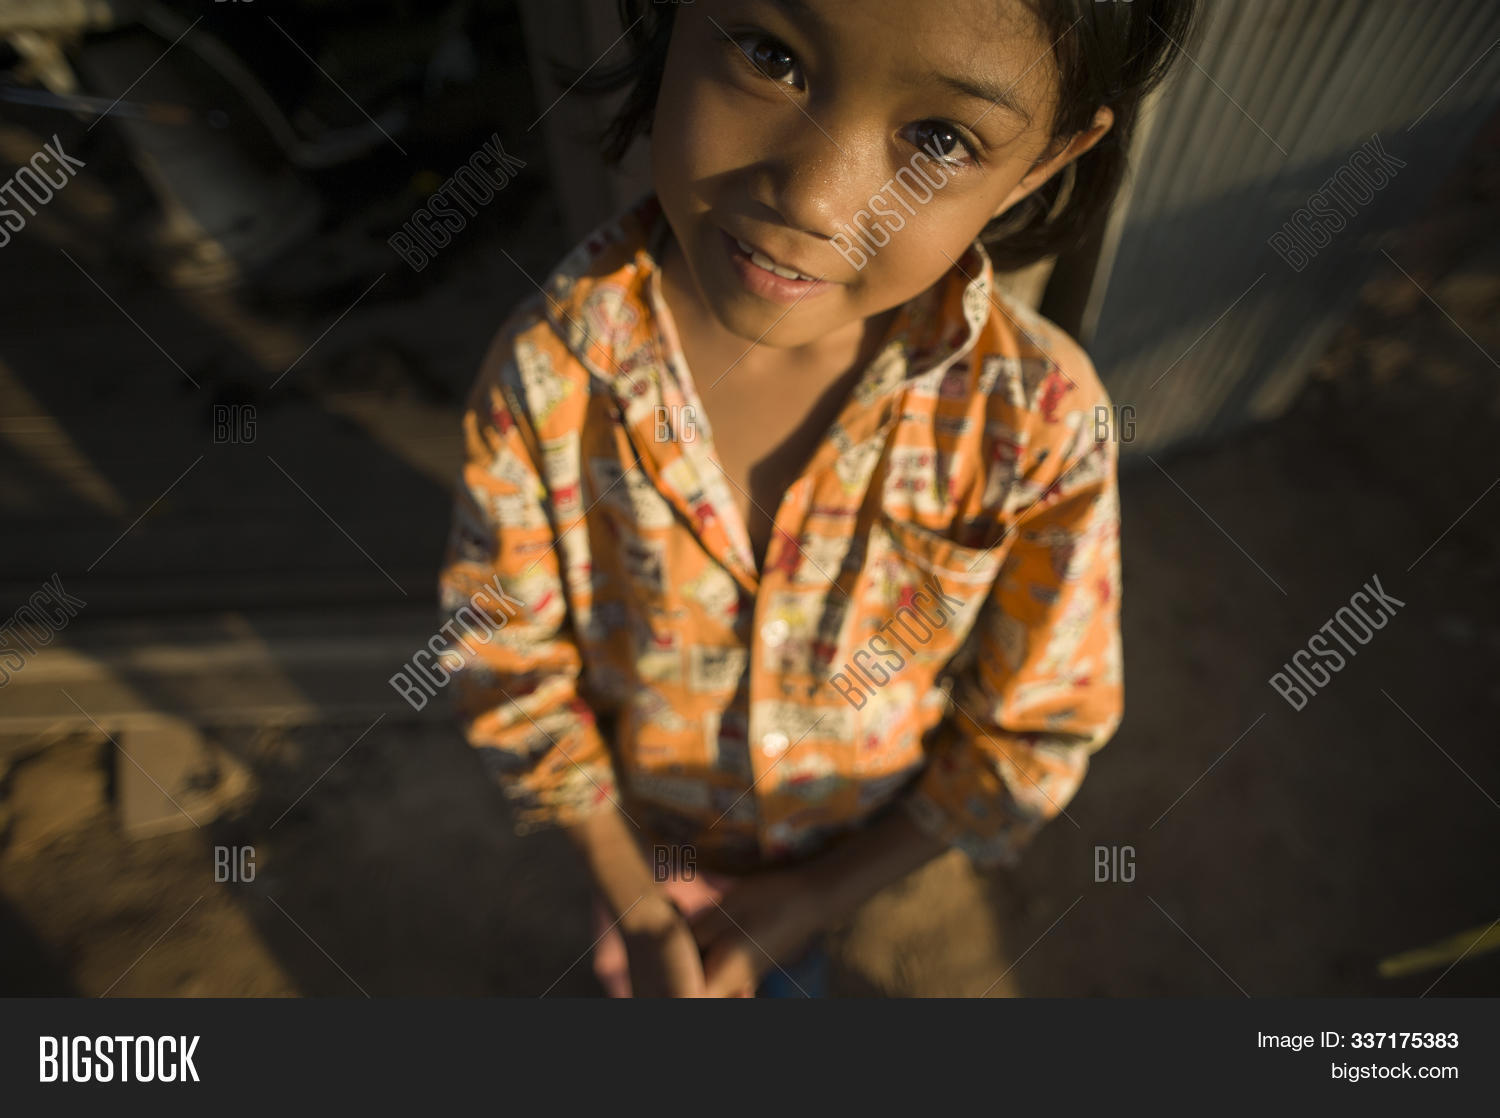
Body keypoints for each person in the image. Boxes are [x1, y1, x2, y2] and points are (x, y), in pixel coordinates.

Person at [437, 0, 1196, 996]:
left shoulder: (1039, 422)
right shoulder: (550, 376)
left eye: (939, 137)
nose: (817, 198)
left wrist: (817, 897)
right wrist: (632, 889)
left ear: (1044, 162)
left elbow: (1035, 727)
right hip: (639, 848)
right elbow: (503, 660)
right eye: (771, 57)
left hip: (848, 859)